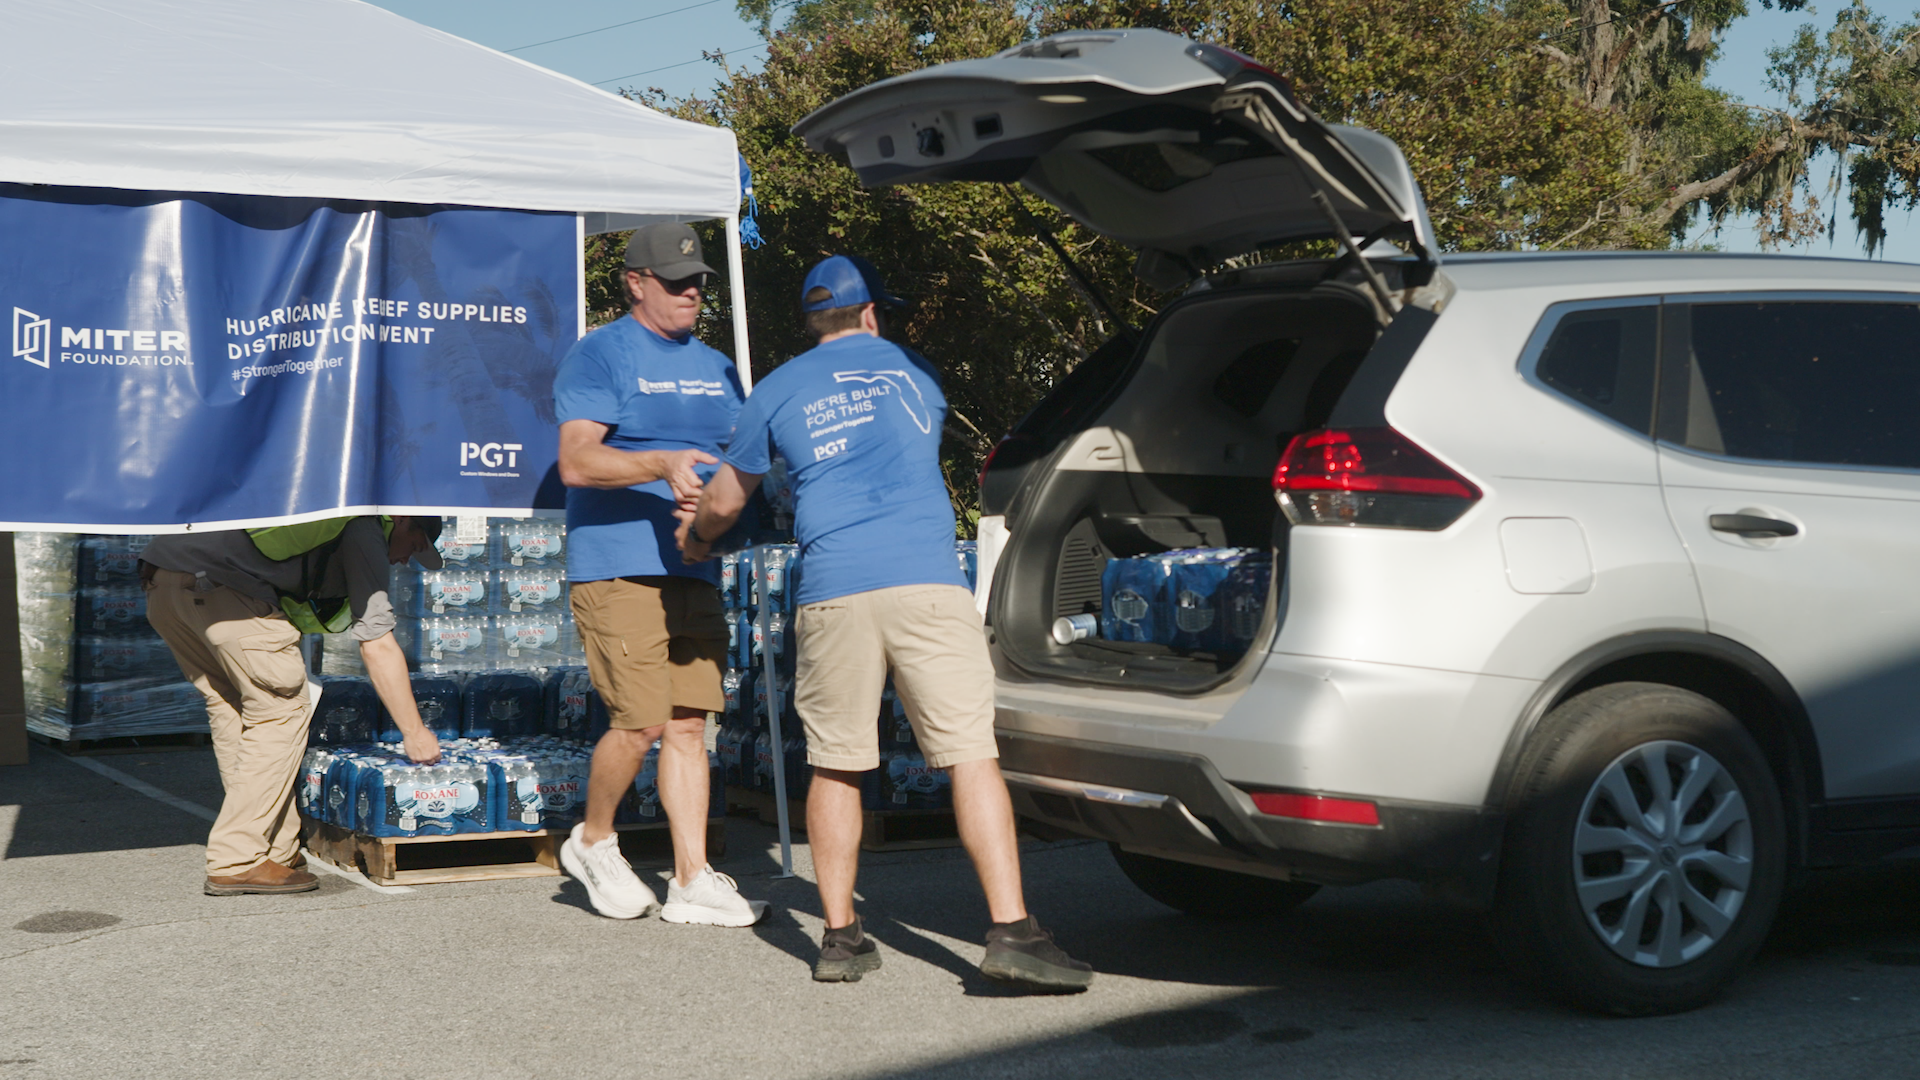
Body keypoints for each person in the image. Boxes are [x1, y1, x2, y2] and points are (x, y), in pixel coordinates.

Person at [678, 255, 1093, 990]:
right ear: (871, 312)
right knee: (969, 752)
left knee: (837, 759)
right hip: (926, 581)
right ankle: (1012, 932)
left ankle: (839, 938)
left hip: (834, 588)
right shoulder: (913, 372)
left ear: (813, 320)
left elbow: (726, 501)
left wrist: (699, 540)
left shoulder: (774, 390)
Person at [552, 222, 764, 927]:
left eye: (700, 280)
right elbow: (577, 461)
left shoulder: (719, 366)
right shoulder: (601, 353)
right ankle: (593, 841)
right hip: (618, 568)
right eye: (676, 281)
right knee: (639, 721)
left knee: (687, 726)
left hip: (692, 566)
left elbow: (742, 462)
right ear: (635, 282)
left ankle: (693, 879)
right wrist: (662, 461)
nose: (692, 292)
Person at [141, 515, 447, 896]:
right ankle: (237, 859)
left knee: (234, 711)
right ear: (400, 519)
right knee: (281, 711)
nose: (404, 560)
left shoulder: (329, 502)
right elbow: (377, 642)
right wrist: (414, 733)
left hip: (163, 583)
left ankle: (276, 847)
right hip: (224, 589)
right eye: (414, 545)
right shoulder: (365, 526)